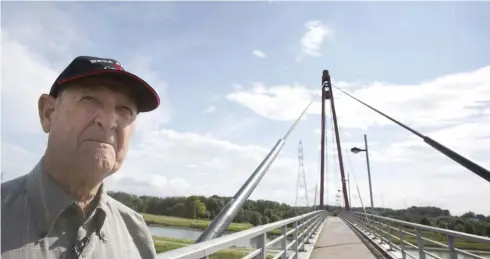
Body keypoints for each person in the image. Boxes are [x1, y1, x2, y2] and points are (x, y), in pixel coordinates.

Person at [1, 56, 160, 259]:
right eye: (90, 100)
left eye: (124, 109)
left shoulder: (135, 232)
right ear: (48, 113)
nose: (109, 121)